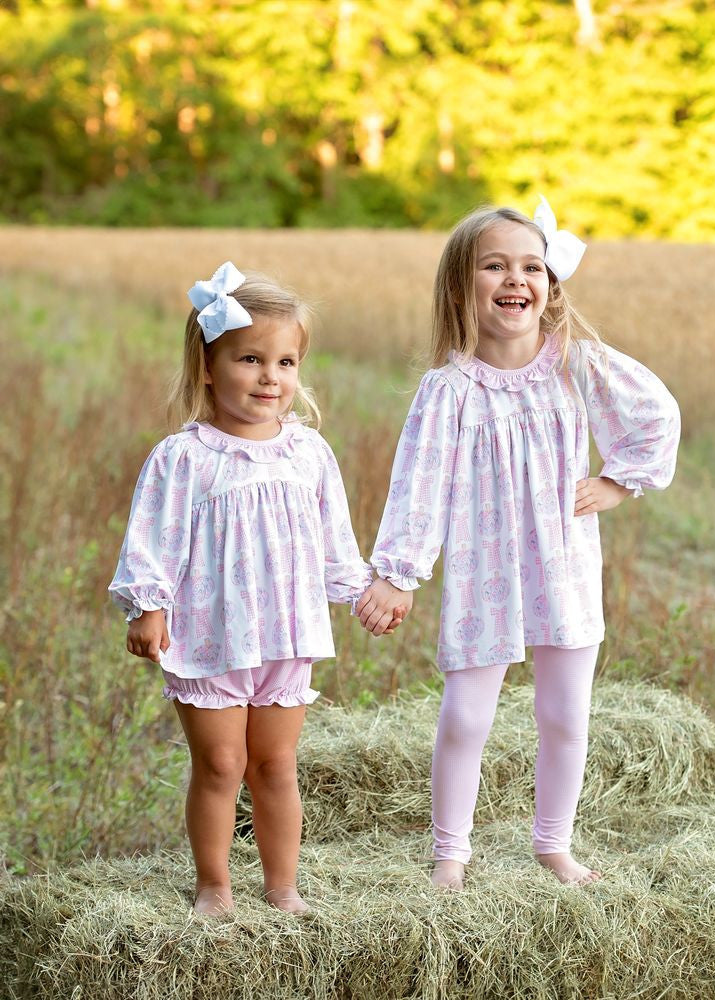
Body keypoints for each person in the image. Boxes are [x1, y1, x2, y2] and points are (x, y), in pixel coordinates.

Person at [356, 198, 680, 889]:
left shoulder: (577, 367)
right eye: (495, 265)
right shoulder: (448, 390)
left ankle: (553, 844)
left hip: (563, 566)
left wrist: (620, 483)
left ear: (550, 284)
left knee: (565, 714)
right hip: (483, 570)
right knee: (467, 716)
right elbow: (418, 487)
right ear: (461, 284)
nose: (516, 278)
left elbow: (657, 413)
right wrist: (398, 573)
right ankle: (451, 854)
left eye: (532, 265)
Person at [109, 263, 404, 915]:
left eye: (286, 362)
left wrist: (367, 592)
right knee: (220, 765)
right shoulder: (184, 458)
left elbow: (335, 542)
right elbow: (151, 537)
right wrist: (147, 605)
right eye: (250, 359)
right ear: (209, 367)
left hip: (286, 636)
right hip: (211, 639)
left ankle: (283, 889)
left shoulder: (309, 454)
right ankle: (214, 886)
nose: (272, 377)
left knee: (275, 766)